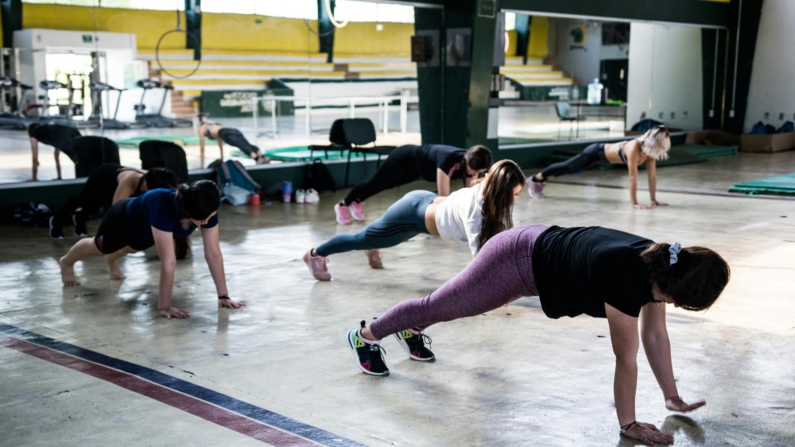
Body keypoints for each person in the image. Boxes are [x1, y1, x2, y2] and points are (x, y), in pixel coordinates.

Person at [346, 224, 730, 446]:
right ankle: (366, 334)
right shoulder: (627, 277)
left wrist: (670, 396)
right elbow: (625, 356)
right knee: (442, 306)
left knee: (450, 306)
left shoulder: (661, 265)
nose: (674, 307)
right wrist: (628, 425)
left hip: (534, 251)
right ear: (672, 286)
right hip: (512, 260)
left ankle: (410, 329)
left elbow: (656, 337)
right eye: (679, 302)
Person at [304, 160, 524, 280]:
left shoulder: (487, 189)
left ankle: (374, 245)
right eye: (513, 195)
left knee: (374, 237)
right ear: (500, 192)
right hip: (409, 218)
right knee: (360, 238)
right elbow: (481, 259)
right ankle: (314, 254)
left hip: (424, 201)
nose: (515, 201)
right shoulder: (475, 211)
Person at [58, 180, 244, 318]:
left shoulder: (206, 209)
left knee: (131, 249)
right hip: (124, 219)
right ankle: (66, 262)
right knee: (100, 248)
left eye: (209, 217)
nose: (205, 222)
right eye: (200, 219)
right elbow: (168, 262)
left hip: (147, 227)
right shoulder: (163, 206)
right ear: (187, 209)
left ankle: (112, 260)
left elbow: (213, 254)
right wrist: (164, 307)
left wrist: (223, 296)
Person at [333, 144, 493, 225]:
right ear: (466, 162)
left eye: (480, 171)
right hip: (406, 157)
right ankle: (344, 204)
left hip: (418, 169)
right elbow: (443, 198)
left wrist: (480, 183)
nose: (475, 174)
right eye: (474, 171)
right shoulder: (449, 161)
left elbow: (469, 185)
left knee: (386, 185)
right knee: (376, 182)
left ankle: (357, 201)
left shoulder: (471, 162)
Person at [527, 126, 671, 209]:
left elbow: (652, 176)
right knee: (568, 166)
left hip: (601, 161)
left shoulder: (650, 153)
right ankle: (534, 179)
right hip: (596, 153)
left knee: (570, 169)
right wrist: (635, 203)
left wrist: (654, 200)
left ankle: (539, 180)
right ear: (655, 141)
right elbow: (632, 177)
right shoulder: (634, 147)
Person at [49, 164, 178, 240]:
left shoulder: (160, 182)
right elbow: (115, 214)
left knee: (96, 204)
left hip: (120, 184)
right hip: (104, 177)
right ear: (145, 184)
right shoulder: (128, 181)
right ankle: (56, 221)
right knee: (85, 200)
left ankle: (79, 217)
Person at [198, 114, 269, 168]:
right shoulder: (214, 125)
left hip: (225, 134)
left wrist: (201, 166)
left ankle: (257, 159)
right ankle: (263, 156)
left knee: (242, 145)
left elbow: (202, 149)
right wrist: (222, 159)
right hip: (234, 130)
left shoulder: (201, 129)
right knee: (246, 144)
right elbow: (220, 144)